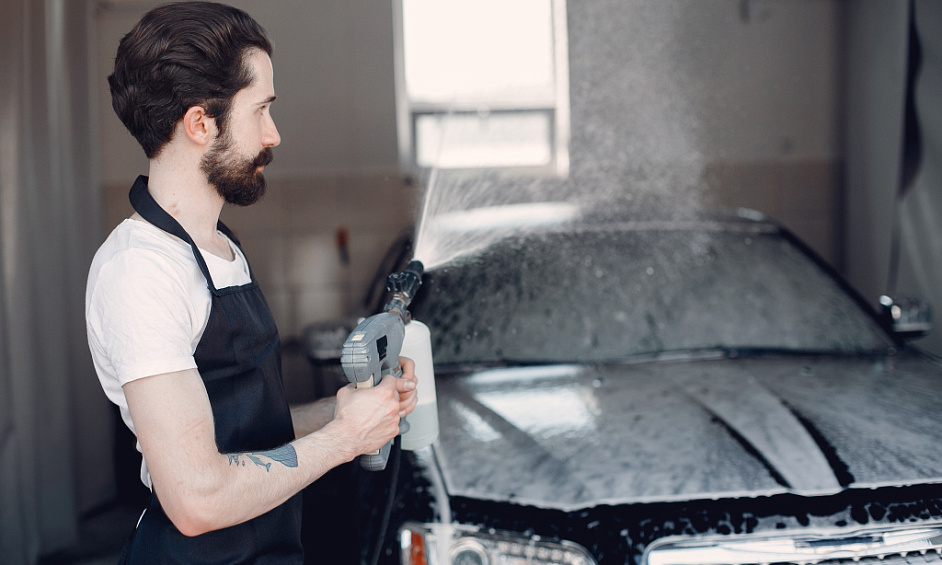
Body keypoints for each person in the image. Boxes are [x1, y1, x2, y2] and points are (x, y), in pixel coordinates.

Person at [84, 2, 418, 563]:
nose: (274, 134)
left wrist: (347, 410)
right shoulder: (140, 270)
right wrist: (345, 440)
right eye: (260, 110)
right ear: (200, 124)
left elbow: (240, 430)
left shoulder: (222, 247)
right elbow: (196, 499)